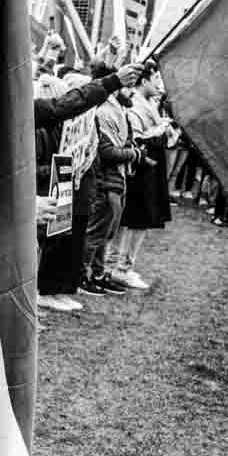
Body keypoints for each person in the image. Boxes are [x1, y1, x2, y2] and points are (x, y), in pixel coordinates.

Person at [81, 63, 148, 296]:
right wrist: (135, 154)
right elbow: (107, 152)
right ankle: (83, 276)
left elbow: (122, 142)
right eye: (127, 86)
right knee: (96, 234)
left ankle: (98, 274)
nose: (131, 92)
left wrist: (131, 148)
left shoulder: (117, 112)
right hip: (105, 182)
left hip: (116, 181)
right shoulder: (103, 112)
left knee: (105, 235)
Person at [107, 63, 174, 290]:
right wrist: (159, 131)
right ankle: (119, 267)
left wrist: (162, 131)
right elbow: (136, 139)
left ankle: (121, 265)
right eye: (156, 79)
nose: (159, 85)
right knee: (133, 220)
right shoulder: (135, 105)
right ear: (144, 81)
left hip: (150, 168)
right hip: (139, 169)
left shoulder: (150, 105)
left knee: (138, 220)